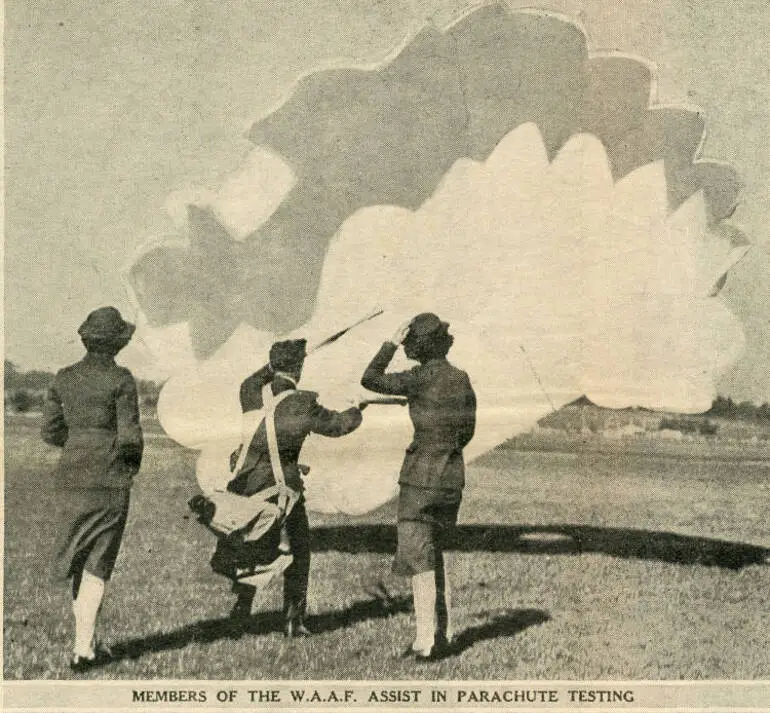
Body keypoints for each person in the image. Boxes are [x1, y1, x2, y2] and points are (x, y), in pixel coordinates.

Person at [211, 338, 364, 636]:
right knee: (299, 552)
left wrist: (276, 364)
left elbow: (257, 377)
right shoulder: (302, 402)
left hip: (246, 487)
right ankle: (294, 621)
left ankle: (241, 612)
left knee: (250, 548)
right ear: (300, 368)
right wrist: (358, 407)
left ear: (272, 365)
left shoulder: (250, 392)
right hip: (284, 493)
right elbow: (339, 426)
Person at [361, 313, 476, 661]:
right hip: (451, 477)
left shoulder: (417, 378)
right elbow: (467, 431)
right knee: (434, 554)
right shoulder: (460, 377)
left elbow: (369, 378)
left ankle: (427, 641)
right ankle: (443, 633)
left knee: (419, 558)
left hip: (420, 478)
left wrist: (390, 342)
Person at [41, 307, 144, 672]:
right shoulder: (122, 379)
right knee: (98, 561)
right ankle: (83, 650)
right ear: (116, 343)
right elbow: (130, 437)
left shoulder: (63, 378)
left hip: (70, 475)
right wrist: (127, 468)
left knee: (79, 557)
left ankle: (86, 643)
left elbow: (50, 431)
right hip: (108, 476)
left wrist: (79, 445)